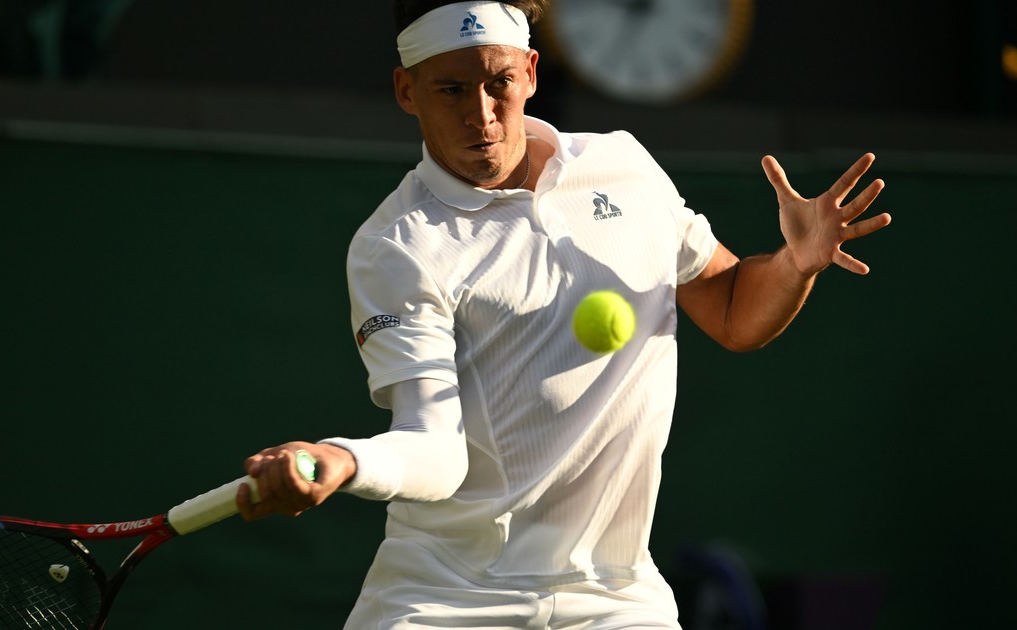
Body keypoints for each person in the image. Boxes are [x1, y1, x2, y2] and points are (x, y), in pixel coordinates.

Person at [236, 1, 891, 628]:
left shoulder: (623, 167)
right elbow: (435, 449)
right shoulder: (398, 246)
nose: (481, 115)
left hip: (616, 595)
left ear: (530, 73)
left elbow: (732, 310)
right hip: (446, 594)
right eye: (451, 90)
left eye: (499, 83)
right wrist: (342, 459)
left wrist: (795, 263)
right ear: (407, 91)